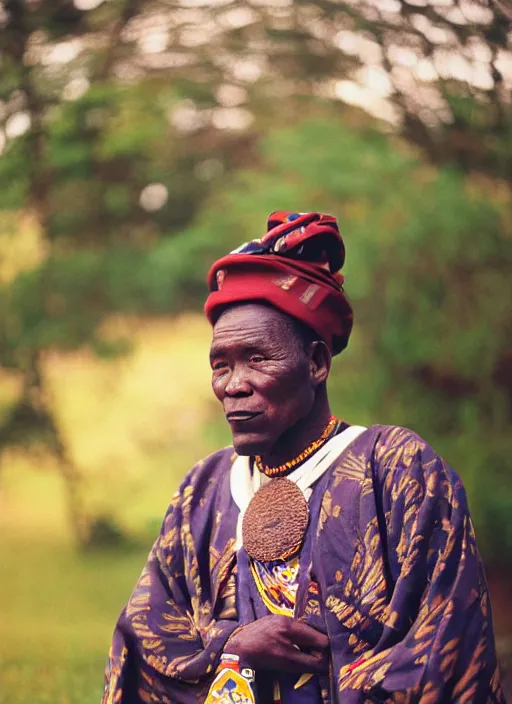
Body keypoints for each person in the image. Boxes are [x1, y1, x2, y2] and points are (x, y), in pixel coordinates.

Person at [102, 211, 504, 704]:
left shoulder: (398, 472)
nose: (233, 385)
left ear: (316, 363)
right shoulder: (202, 490)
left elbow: (448, 644)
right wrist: (233, 647)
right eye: (220, 365)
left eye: (257, 359)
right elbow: (144, 643)